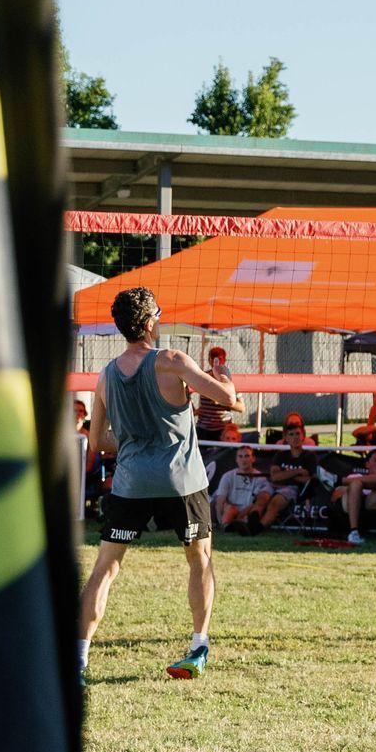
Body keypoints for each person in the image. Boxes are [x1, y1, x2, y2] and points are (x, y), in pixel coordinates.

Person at [78, 286, 242, 681]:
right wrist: (226, 377)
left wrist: (135, 440)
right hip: (181, 481)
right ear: (151, 322)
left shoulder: (105, 376)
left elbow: (97, 442)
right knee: (199, 559)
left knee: (105, 569)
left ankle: (78, 657)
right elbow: (229, 400)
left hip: (131, 482)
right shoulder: (171, 360)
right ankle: (198, 647)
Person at [330, 449, 376, 543]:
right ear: (367, 464)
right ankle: (354, 533)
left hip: (374, 505)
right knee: (356, 484)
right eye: (375, 460)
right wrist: (355, 493)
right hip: (350, 506)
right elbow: (334, 498)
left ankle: (338, 480)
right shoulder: (354, 476)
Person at [213, 445, 274, 532]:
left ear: (253, 459)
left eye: (247, 456)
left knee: (254, 511)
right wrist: (220, 521)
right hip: (230, 508)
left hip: (248, 511)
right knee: (229, 509)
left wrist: (240, 516)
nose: (243, 460)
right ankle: (225, 526)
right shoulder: (227, 476)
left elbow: (256, 503)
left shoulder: (260, 478)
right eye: (240, 456)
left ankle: (236, 525)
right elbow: (220, 500)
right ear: (236, 459)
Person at [195, 345, 236, 440]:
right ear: (209, 360)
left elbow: (241, 407)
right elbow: (188, 389)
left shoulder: (229, 379)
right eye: (213, 359)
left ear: (224, 360)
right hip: (203, 427)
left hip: (223, 428)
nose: (216, 362)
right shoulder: (203, 376)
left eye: (219, 359)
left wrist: (221, 400)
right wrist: (193, 409)